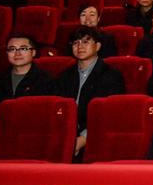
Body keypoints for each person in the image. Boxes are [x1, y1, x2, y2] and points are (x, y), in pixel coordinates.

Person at [53, 26, 126, 157]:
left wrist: (83, 139)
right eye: (76, 43)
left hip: (98, 137)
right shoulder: (64, 76)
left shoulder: (112, 76)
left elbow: (109, 114)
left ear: (97, 46)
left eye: (85, 42)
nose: (80, 46)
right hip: (66, 135)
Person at [0, 33, 51, 106]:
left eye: (23, 49)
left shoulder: (45, 81)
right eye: (12, 49)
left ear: (33, 52)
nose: (17, 53)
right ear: (7, 53)